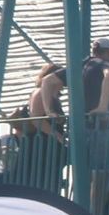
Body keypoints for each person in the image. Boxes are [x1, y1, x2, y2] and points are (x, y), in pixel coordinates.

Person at [7, 63, 66, 193]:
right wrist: (57, 136)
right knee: (35, 179)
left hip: (50, 146)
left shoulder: (54, 97)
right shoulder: (39, 93)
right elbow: (36, 118)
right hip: (39, 144)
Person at [80, 40, 109, 215]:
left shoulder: (82, 66)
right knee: (102, 173)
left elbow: (48, 81)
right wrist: (103, 106)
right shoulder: (105, 64)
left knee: (83, 174)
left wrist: (50, 111)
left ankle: (79, 213)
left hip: (80, 128)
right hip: (99, 127)